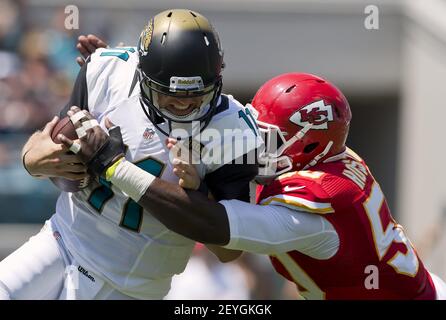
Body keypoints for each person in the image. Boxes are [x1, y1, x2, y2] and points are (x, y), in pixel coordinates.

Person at [64, 72, 446, 299]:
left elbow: (213, 226)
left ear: (309, 144)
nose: (254, 144)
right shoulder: (332, 159)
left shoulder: (312, 211)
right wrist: (115, 76)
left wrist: (111, 166)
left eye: (270, 138)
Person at [0, 9, 261, 299]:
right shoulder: (108, 72)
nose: (183, 106)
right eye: (169, 95)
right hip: (62, 239)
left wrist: (198, 192)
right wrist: (32, 159)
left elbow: (230, 250)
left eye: (195, 96)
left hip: (132, 285)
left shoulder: (233, 130)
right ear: (142, 74)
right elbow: (49, 149)